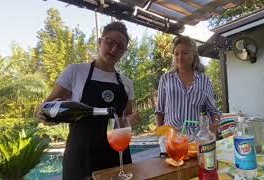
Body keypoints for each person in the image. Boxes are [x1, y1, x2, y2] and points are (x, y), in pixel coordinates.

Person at [35, 21, 140, 180]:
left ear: (124, 52)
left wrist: (132, 120)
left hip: (117, 158)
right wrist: (45, 116)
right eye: (110, 42)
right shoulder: (75, 71)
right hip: (81, 158)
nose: (113, 49)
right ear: (100, 41)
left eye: (120, 47)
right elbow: (44, 107)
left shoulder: (127, 83)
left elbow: (125, 118)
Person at [155, 35, 221, 137]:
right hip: (173, 138)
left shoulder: (204, 80)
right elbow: (159, 111)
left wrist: (215, 124)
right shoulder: (166, 79)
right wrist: (161, 136)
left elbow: (212, 110)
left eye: (185, 53)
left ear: (193, 55)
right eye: (176, 54)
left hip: (198, 137)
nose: (180, 57)